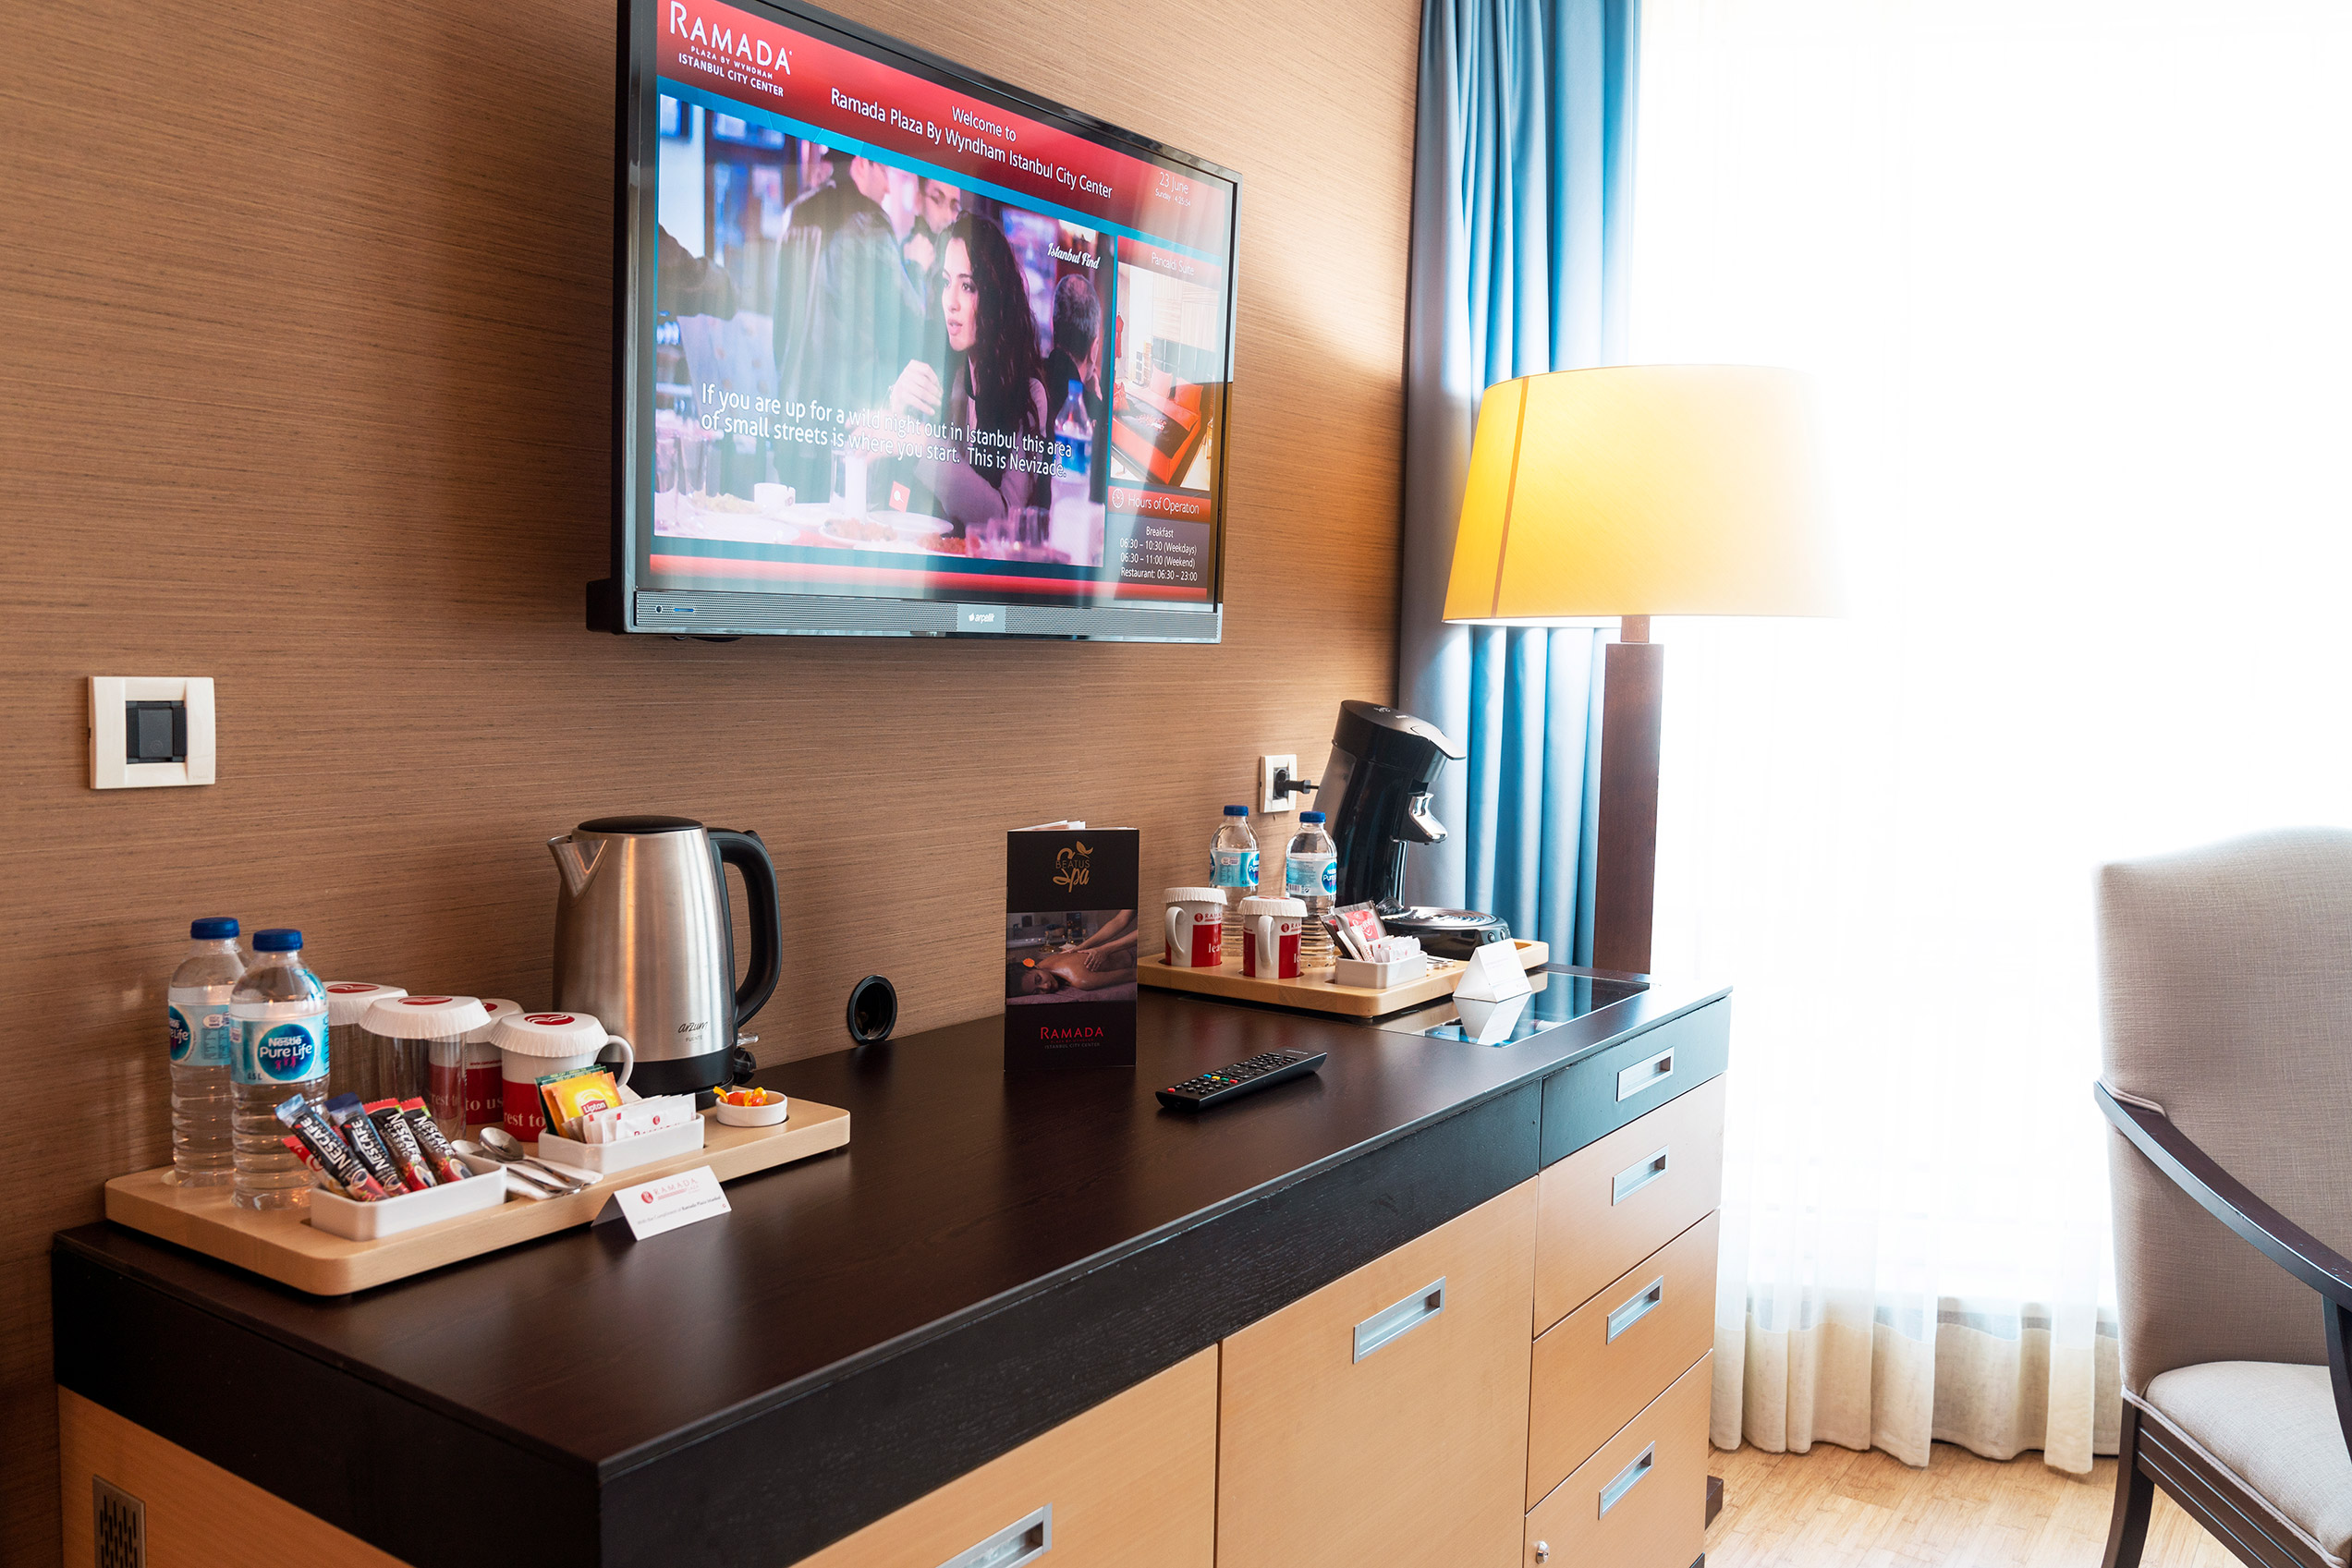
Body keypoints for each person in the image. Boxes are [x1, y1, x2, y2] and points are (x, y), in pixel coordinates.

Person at [770, 147, 927, 496]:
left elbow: (780, 327)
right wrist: (917, 267)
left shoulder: (796, 214)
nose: (888, 187)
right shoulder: (869, 220)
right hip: (845, 430)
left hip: (792, 425)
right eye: (884, 171)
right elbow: (912, 320)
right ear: (861, 164)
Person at [896, 213, 1050, 534]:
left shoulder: (1029, 394)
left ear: (994, 296)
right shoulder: (938, 369)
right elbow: (890, 497)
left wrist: (923, 444)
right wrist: (894, 410)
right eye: (946, 282)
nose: (950, 302)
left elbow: (1006, 518)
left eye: (967, 286)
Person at [1042, 273, 1107, 442]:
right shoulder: (1094, 416)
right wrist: (1096, 403)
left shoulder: (1028, 378)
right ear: (1093, 348)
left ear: (1053, 327)